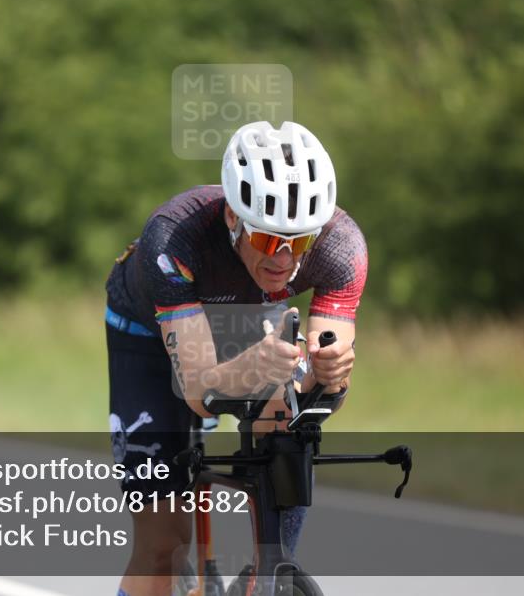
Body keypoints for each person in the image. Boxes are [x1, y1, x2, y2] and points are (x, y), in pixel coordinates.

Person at [105, 121, 367, 596]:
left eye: (300, 241)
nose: (285, 259)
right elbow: (201, 392)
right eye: (268, 240)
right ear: (233, 218)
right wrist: (252, 368)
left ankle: (272, 567)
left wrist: (328, 378)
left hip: (247, 319)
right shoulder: (174, 238)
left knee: (287, 415)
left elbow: (324, 391)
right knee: (163, 547)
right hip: (146, 330)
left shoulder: (341, 247)